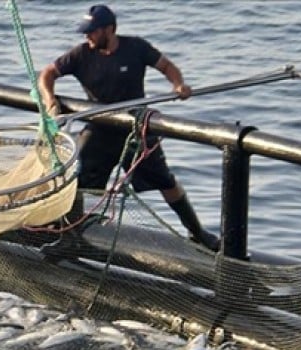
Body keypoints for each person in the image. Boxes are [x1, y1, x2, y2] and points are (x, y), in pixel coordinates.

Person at [38, 4, 220, 254]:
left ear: (109, 29)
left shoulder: (136, 47)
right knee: (75, 178)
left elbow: (167, 66)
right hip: (101, 127)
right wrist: (50, 99)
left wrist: (178, 85)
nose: (87, 36)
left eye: (92, 31)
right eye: (86, 32)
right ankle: (70, 237)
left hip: (135, 128)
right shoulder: (80, 54)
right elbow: (47, 74)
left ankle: (197, 232)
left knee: (165, 181)